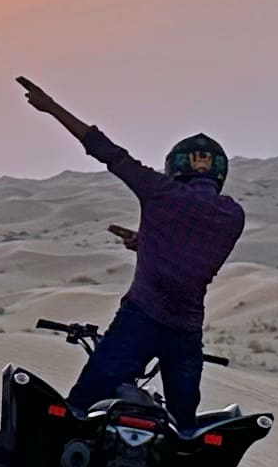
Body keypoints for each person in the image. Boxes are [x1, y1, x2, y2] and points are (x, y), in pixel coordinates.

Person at [15, 75, 242, 420]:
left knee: (78, 411)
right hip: (186, 333)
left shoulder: (161, 192)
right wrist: (145, 243)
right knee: (183, 430)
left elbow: (107, 152)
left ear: (175, 166)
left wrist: (51, 107)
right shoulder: (232, 216)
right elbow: (195, 257)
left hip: (140, 321)